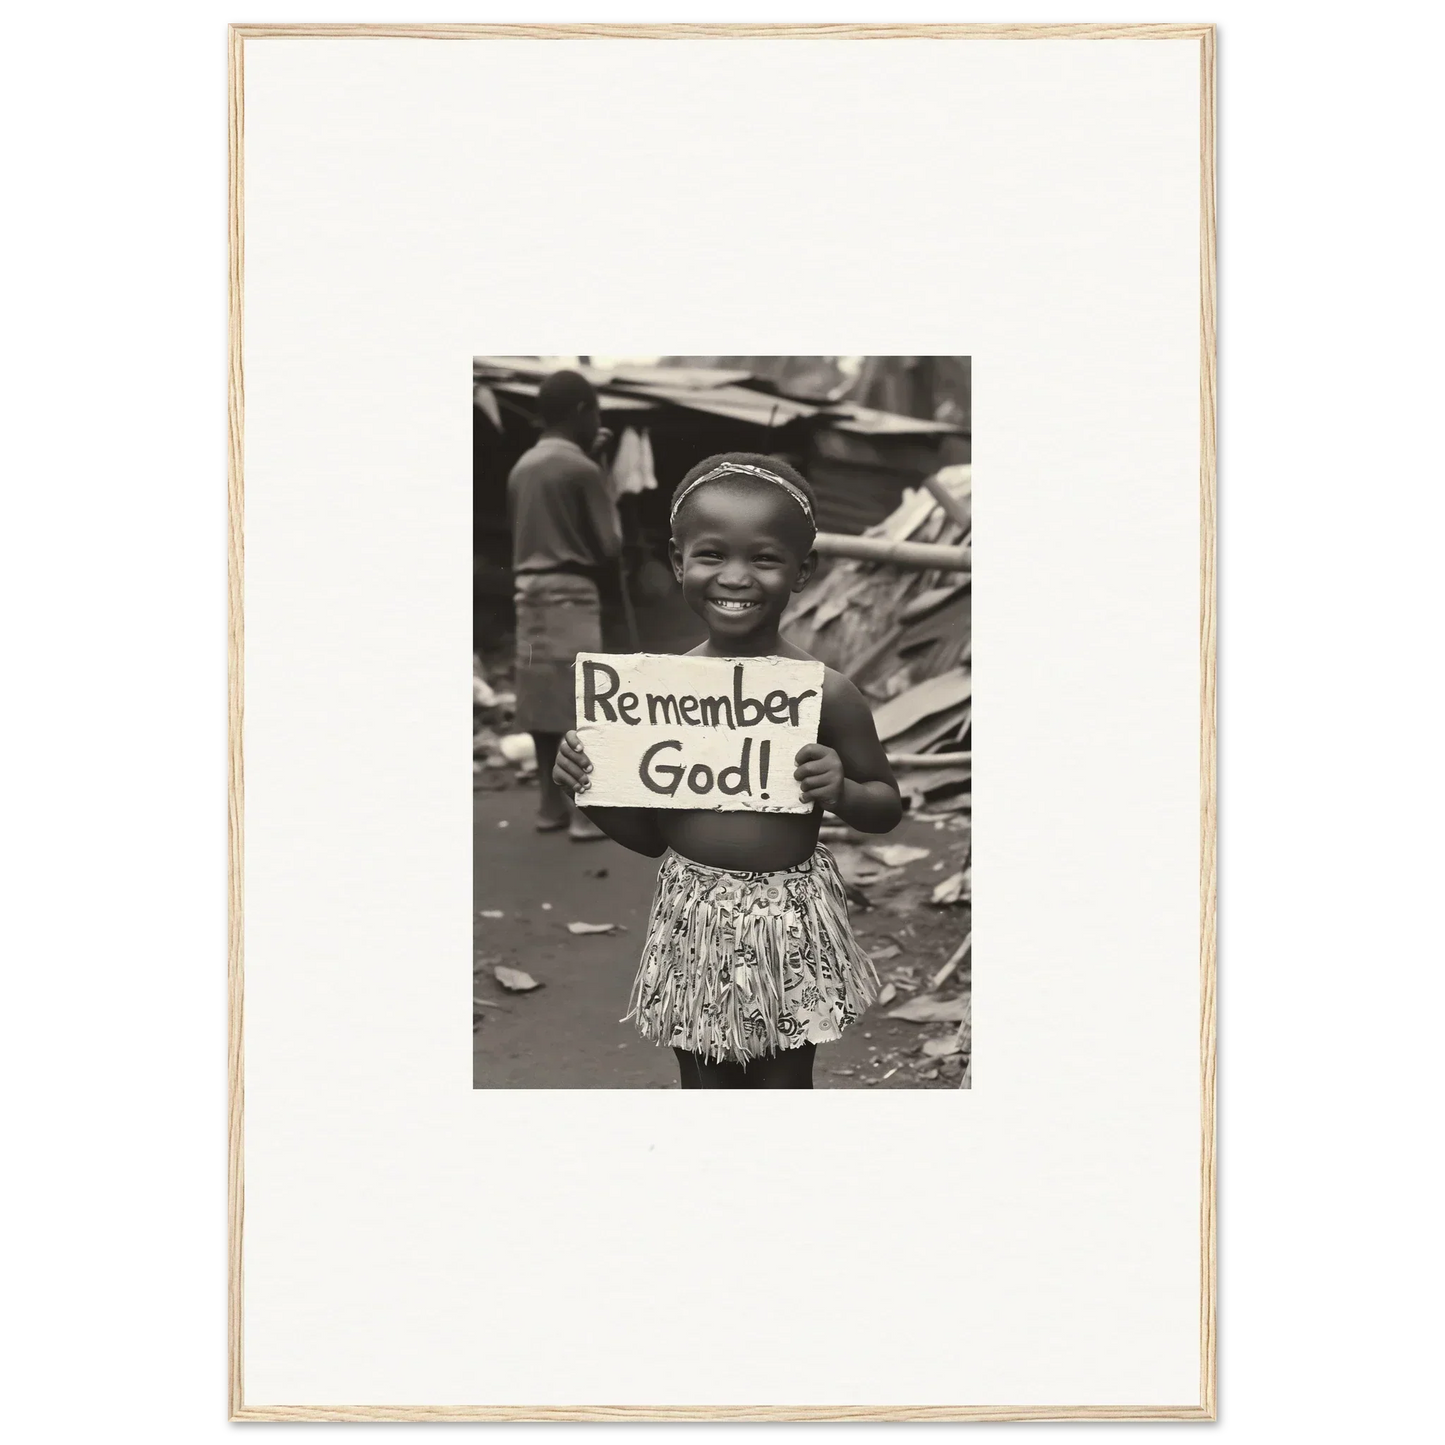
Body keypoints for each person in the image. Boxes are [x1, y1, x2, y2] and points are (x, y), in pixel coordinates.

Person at [551, 452, 903, 1088]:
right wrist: (589, 791)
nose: (736, 577)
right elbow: (652, 837)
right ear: (679, 561)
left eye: (764, 559)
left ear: (803, 572)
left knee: (784, 1084)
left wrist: (844, 791)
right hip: (694, 915)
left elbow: (887, 805)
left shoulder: (826, 694)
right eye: (712, 555)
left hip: (788, 918)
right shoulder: (655, 699)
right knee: (705, 1083)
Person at [508, 370, 619, 840]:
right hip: (572, 596)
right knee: (582, 701)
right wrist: (600, 468)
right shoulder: (582, 469)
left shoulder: (523, 467)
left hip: (528, 599)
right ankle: (583, 813)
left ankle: (549, 807)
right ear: (581, 413)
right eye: (594, 411)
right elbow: (610, 544)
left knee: (540, 700)